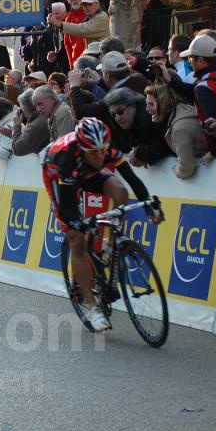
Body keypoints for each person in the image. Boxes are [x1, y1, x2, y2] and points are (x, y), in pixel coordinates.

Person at [42, 117, 163, 332]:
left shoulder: (102, 147)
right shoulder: (67, 156)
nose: (100, 155)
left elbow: (133, 180)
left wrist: (150, 207)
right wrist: (80, 225)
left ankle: (112, 243)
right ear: (82, 147)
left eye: (103, 150)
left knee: (121, 192)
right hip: (58, 174)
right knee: (77, 238)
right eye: (94, 151)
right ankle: (91, 306)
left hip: (88, 171)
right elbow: (67, 208)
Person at [144, 84, 205, 178]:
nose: (147, 109)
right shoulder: (182, 110)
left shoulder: (179, 128)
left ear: (164, 103)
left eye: (151, 104)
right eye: (147, 104)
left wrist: (174, 169)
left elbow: (186, 169)